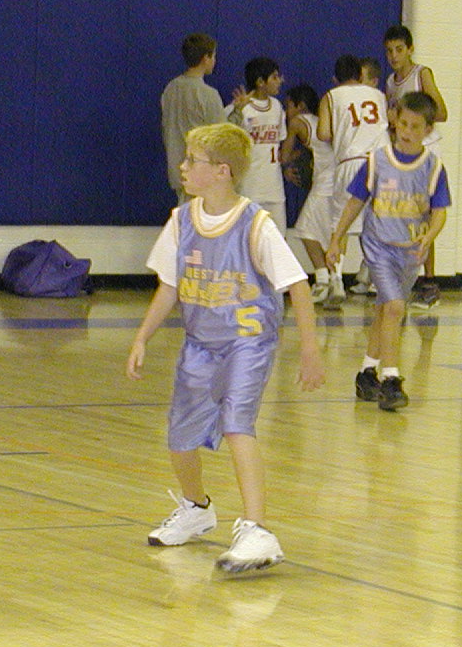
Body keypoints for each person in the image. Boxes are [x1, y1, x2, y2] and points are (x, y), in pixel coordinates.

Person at [126, 122, 325, 573]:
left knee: (238, 426)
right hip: (199, 345)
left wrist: (310, 350)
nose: (182, 166)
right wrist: (141, 337)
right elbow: (169, 286)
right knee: (180, 438)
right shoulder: (181, 221)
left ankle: (257, 530)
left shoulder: (256, 224)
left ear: (222, 171)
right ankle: (196, 508)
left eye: (191, 160)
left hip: (246, 343)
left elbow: (297, 285)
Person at [325, 92, 450, 412]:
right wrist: (337, 237)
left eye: (415, 127)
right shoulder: (376, 161)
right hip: (379, 246)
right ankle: (391, 379)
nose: (406, 131)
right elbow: (355, 202)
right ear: (394, 122)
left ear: (428, 130)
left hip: (410, 252)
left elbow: (439, 212)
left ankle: (367, 372)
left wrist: (430, 236)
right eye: (403, 124)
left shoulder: (433, 168)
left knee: (385, 310)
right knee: (395, 307)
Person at [316, 53, 388, 310]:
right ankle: (381, 281)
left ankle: (336, 280)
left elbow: (323, 133)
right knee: (379, 225)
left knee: (341, 224)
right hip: (380, 163)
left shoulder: (331, 96)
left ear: (336, 78)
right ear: (360, 74)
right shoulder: (378, 95)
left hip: (350, 161)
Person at [383, 25, 447, 308]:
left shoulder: (421, 74)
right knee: (405, 213)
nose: (394, 56)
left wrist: (408, 115)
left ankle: (430, 283)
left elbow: (441, 112)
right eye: (389, 51)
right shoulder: (390, 82)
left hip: (427, 149)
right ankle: (406, 278)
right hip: (404, 152)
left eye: (399, 49)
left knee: (425, 214)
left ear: (410, 49)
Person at [281, 83, 334, 301]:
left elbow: (284, 156)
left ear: (300, 105)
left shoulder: (297, 122)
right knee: (327, 234)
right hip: (338, 179)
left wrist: (288, 165)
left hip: (325, 183)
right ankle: (332, 280)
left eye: (289, 106)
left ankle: (323, 281)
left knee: (304, 229)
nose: (286, 111)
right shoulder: (321, 120)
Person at [160, 33, 225, 199]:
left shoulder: (171, 88)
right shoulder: (208, 94)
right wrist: (238, 112)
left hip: (178, 170)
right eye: (213, 56)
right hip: (201, 174)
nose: (214, 61)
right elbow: (221, 136)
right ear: (205, 58)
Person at [228, 56, 288, 227]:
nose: (280, 81)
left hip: (274, 189)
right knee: (248, 237)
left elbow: (281, 140)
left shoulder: (277, 106)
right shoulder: (241, 107)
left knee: (277, 236)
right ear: (260, 81)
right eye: (274, 77)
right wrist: (236, 110)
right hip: (249, 188)